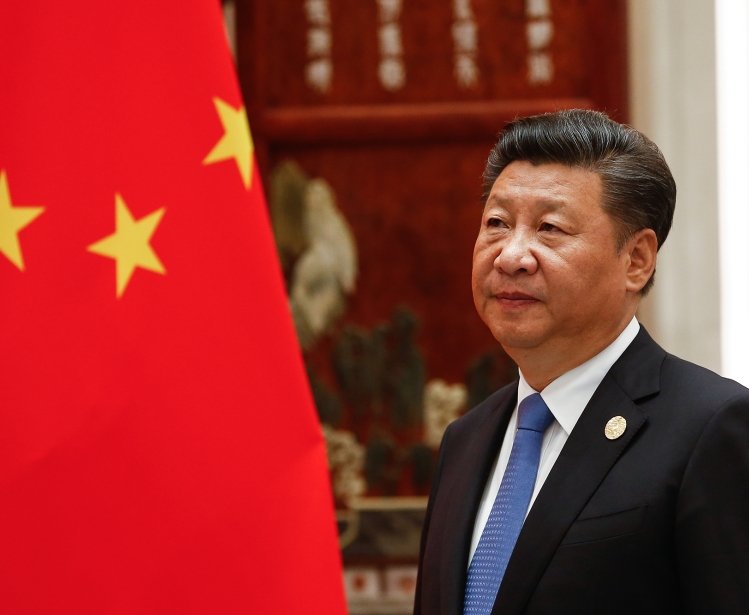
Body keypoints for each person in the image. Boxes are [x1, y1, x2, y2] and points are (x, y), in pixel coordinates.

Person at [414, 109, 749, 614]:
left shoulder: (712, 427)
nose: (512, 255)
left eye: (549, 228)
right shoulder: (468, 438)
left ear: (636, 260)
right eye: (497, 224)